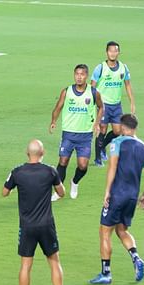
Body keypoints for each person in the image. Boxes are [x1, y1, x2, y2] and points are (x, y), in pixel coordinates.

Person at [3, 140, 67, 285]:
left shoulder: (17, 172)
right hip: (47, 225)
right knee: (54, 262)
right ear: (43, 152)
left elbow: (4, 192)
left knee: (25, 265)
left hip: (27, 226)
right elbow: (62, 192)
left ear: (27, 153)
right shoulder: (50, 171)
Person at [90, 114, 144, 284]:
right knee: (121, 230)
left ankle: (106, 273)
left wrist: (107, 192)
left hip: (117, 194)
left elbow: (112, 167)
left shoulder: (117, 143)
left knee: (104, 231)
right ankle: (136, 258)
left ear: (123, 127)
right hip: (132, 197)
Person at [49, 64, 104, 201]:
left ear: (86, 76)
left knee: (83, 165)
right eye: (77, 74)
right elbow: (58, 107)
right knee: (63, 161)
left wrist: (97, 123)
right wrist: (53, 121)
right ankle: (58, 191)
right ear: (74, 75)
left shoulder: (93, 92)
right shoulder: (66, 91)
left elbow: (101, 107)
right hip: (68, 133)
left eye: (82, 74)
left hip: (85, 135)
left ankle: (75, 182)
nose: (79, 77)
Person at [92, 41, 135, 166]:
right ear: (107, 52)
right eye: (110, 51)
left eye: (115, 51)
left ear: (118, 53)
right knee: (103, 129)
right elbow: (92, 87)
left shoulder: (123, 67)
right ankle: (97, 158)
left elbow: (127, 85)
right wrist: (93, 104)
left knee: (117, 131)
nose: (113, 53)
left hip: (116, 105)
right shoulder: (100, 68)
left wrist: (132, 101)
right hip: (103, 105)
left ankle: (102, 148)